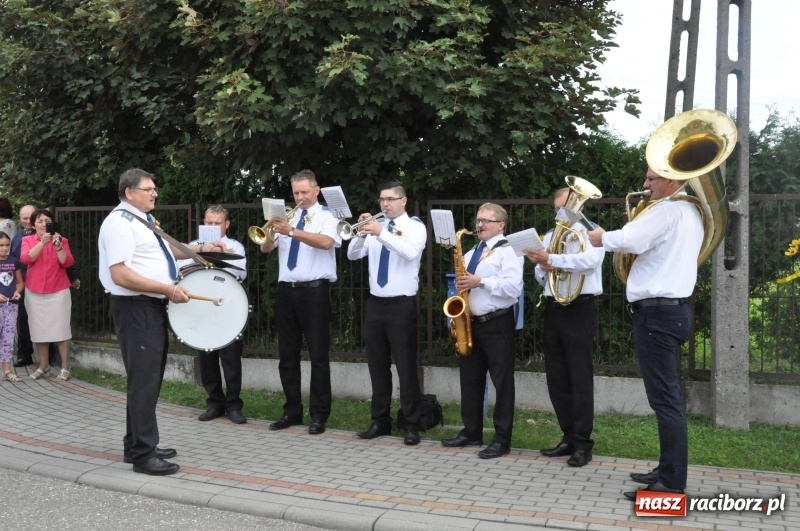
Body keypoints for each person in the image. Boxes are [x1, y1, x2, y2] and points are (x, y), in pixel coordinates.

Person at [98, 168, 225, 476]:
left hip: (148, 306)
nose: (155, 193)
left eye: (154, 188)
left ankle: (136, 445)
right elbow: (121, 275)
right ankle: (144, 455)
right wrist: (169, 288)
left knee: (146, 379)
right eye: (149, 189)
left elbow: (164, 253)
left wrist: (200, 249)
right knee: (144, 381)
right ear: (130, 192)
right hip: (135, 307)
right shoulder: (119, 223)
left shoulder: (140, 221)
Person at [588, 166, 700, 499]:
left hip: (658, 314)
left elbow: (630, 239)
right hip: (673, 311)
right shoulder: (690, 211)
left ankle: (670, 485)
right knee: (667, 399)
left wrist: (601, 237)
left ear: (673, 180)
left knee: (666, 401)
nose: (645, 184)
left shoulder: (667, 210)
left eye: (652, 178)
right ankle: (666, 470)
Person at [524, 187, 604, 467]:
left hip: (580, 307)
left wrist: (553, 260)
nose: (560, 213)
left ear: (578, 207)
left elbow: (590, 263)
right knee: (556, 377)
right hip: (554, 307)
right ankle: (568, 436)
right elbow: (539, 276)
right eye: (557, 208)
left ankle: (583, 443)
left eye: (565, 208)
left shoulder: (593, 232)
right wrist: (541, 267)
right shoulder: (549, 236)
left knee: (579, 376)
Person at [259, 169, 341, 435]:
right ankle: (291, 411)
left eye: (305, 192)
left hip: (315, 291)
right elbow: (265, 248)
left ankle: (319, 415)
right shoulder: (287, 218)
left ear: (317, 190)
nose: (300, 197)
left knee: (318, 356)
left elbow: (327, 242)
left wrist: (292, 231)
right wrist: (273, 231)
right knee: (287, 355)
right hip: (287, 290)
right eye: (296, 192)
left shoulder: (328, 216)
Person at [347, 181, 426, 445]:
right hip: (375, 304)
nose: (385, 204)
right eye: (382, 199)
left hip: (401, 305)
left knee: (406, 367)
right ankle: (380, 421)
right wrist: (360, 234)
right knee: (377, 366)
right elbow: (353, 255)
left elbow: (409, 252)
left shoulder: (415, 227)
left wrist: (381, 232)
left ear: (403, 201)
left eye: (390, 199)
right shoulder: (375, 228)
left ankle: (411, 423)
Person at [441, 203, 523, 459]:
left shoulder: (508, 251)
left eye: (486, 220)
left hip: (497, 323)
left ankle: (501, 439)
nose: (479, 225)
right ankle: (471, 431)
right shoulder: (472, 251)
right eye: (478, 220)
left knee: (502, 382)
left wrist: (481, 281)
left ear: (501, 225)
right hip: (471, 323)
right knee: (470, 380)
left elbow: (514, 288)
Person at [177, 205, 248, 425]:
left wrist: (219, 256)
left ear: (226, 224)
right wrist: (202, 252)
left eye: (218, 223)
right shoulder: (192, 247)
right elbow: (180, 269)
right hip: (201, 309)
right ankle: (214, 402)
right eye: (209, 223)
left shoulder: (235, 246)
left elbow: (240, 273)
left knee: (230, 358)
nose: (213, 226)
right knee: (206, 356)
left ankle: (234, 405)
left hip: (227, 309)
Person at [20, 209, 74, 381]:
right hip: (34, 291)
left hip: (58, 290)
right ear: (33, 224)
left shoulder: (61, 240)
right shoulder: (28, 240)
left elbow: (67, 262)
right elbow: (26, 259)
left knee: (61, 329)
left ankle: (66, 366)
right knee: (38, 330)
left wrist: (58, 246)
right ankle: (44, 365)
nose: (44, 224)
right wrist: (42, 243)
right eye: (40, 221)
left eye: (47, 221)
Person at [11, 205, 35, 368]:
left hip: (38, 283)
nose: (27, 221)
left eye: (30, 217)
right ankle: (24, 355)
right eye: (24, 218)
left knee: (42, 320)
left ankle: (50, 354)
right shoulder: (18, 236)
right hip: (21, 284)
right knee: (22, 320)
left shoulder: (43, 235)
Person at [0, 231, 24, 382]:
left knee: (7, 338)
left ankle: (7, 370)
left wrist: (17, 292)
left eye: (7, 245)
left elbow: (20, 282)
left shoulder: (14, 262)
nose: (4, 248)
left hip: (10, 305)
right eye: (1, 245)